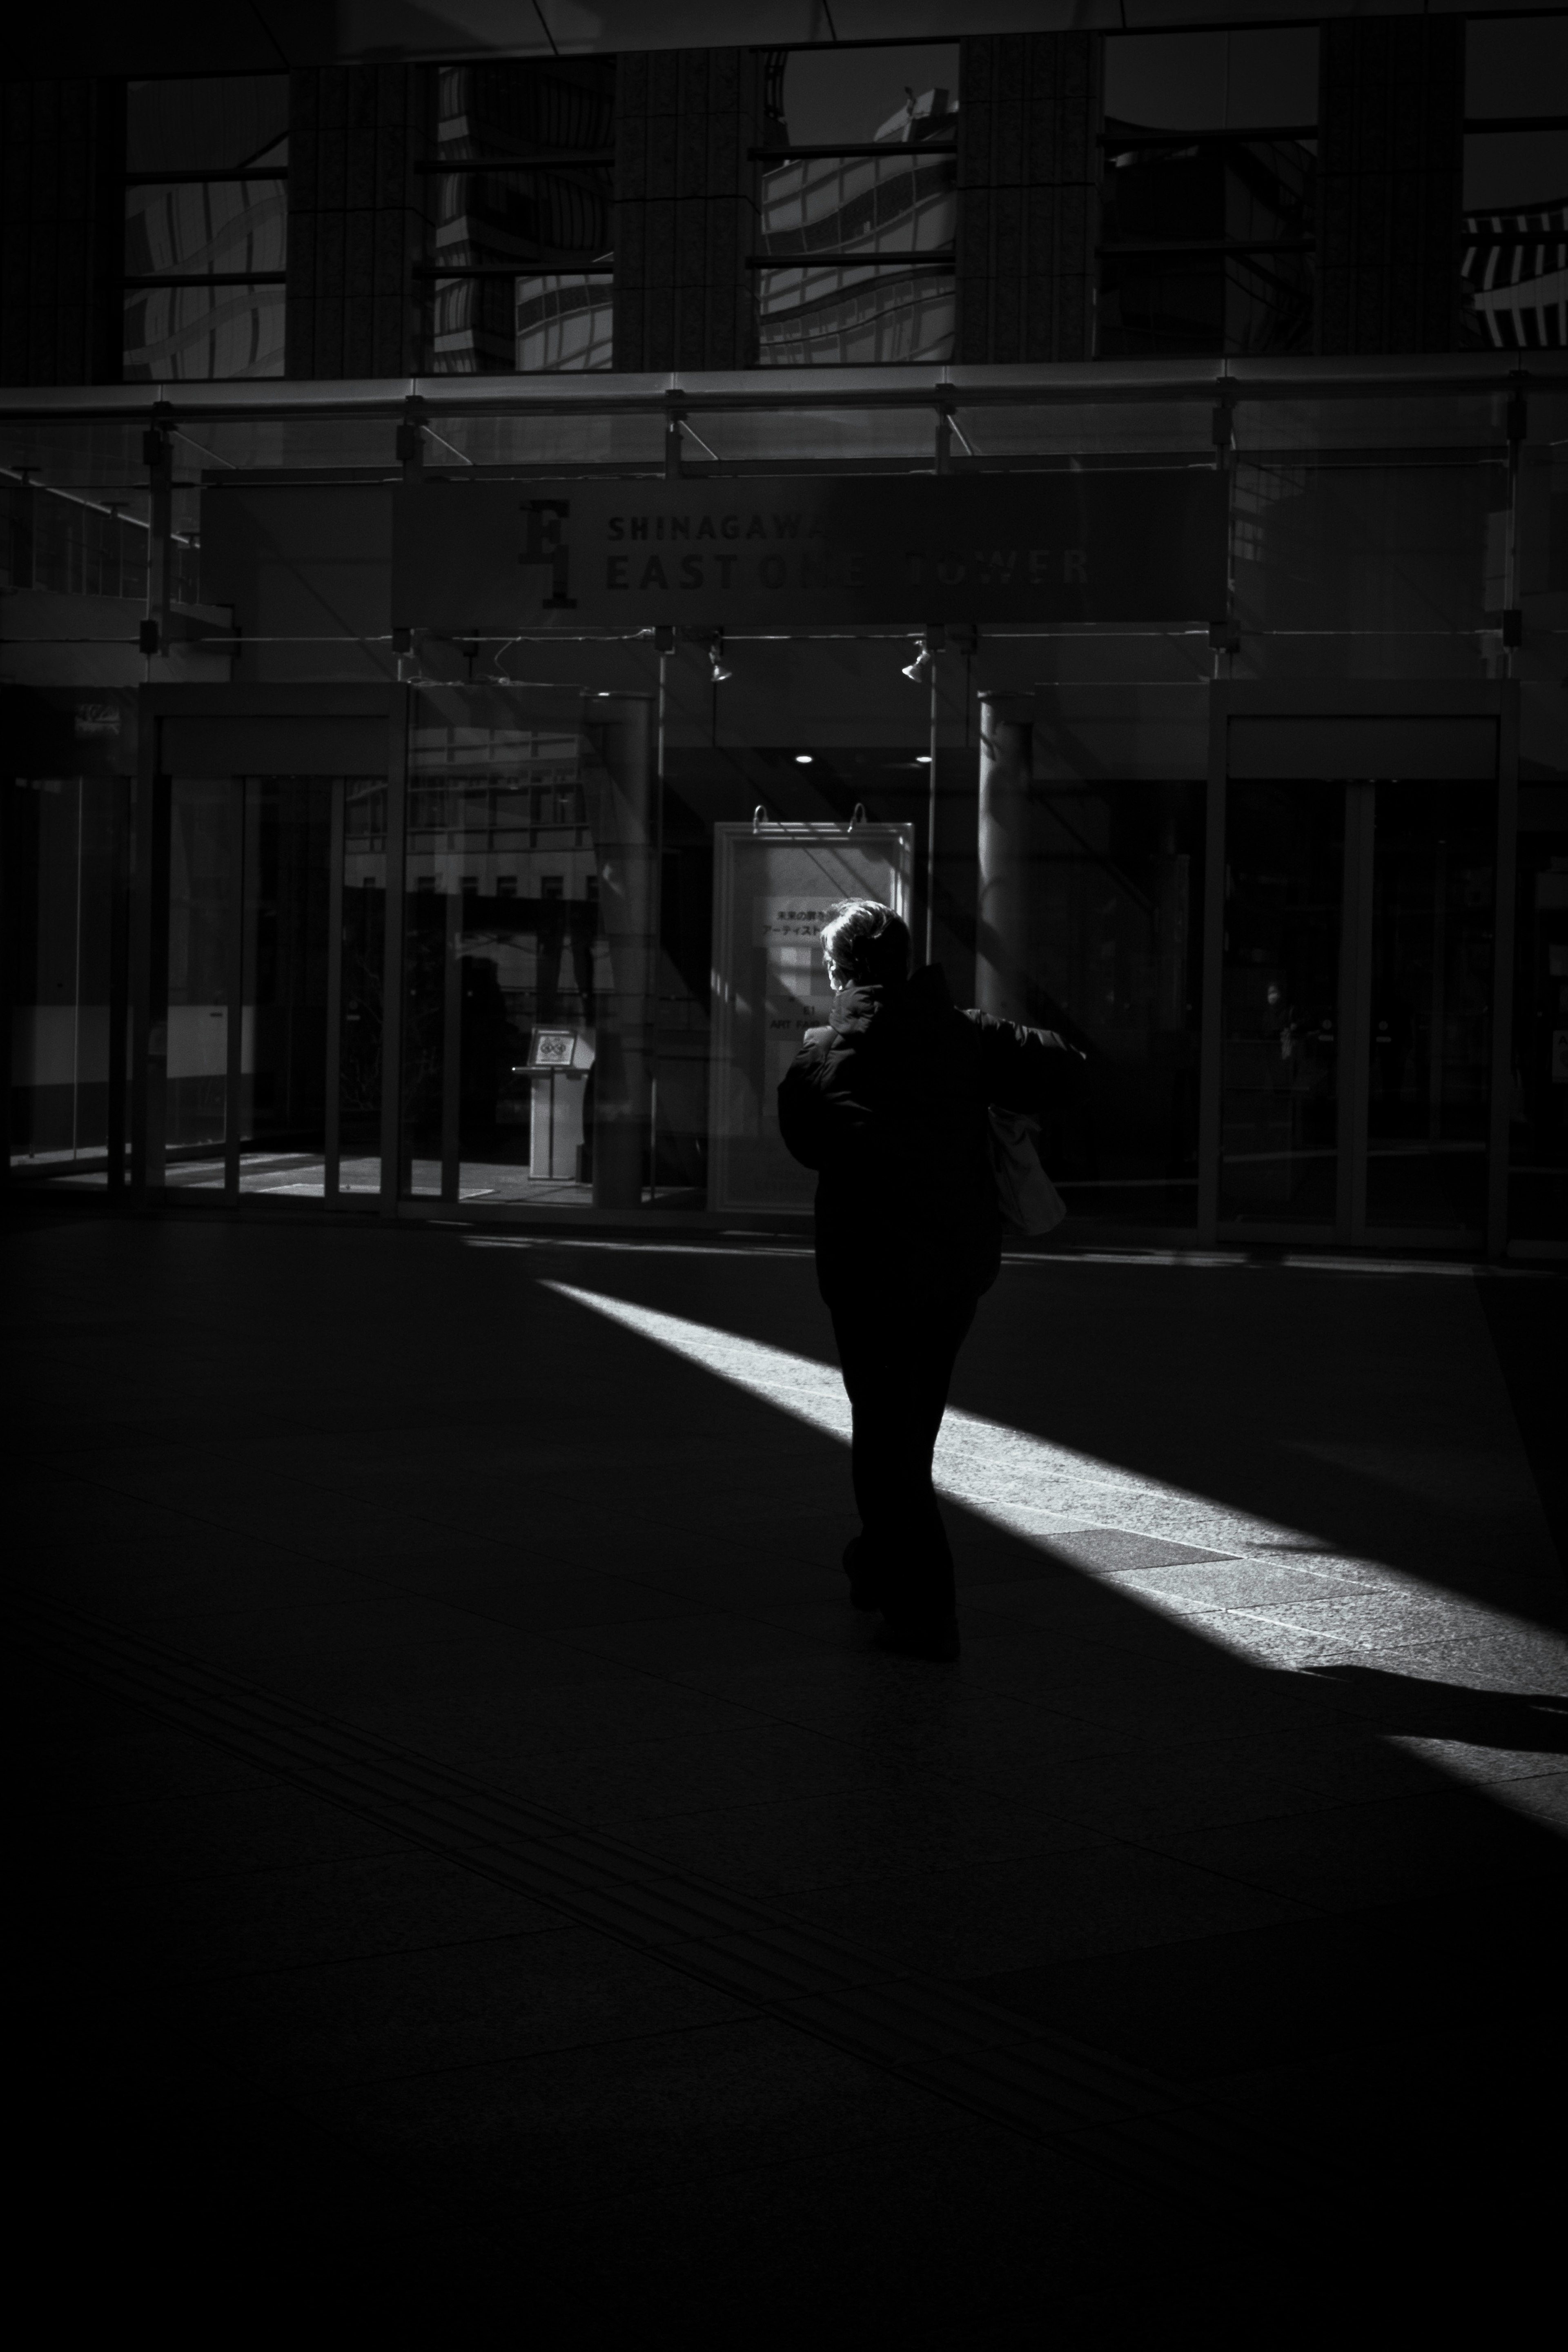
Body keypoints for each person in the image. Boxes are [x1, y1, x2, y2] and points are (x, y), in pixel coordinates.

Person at [777, 900, 1082, 1662]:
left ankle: (923, 1610)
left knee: (884, 1430)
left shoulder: (823, 1055)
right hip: (953, 1266)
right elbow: (1065, 1066)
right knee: (912, 1419)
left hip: (866, 1270)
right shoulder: (968, 1035)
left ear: (842, 968)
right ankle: (877, 1561)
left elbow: (806, 1144)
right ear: (906, 961)